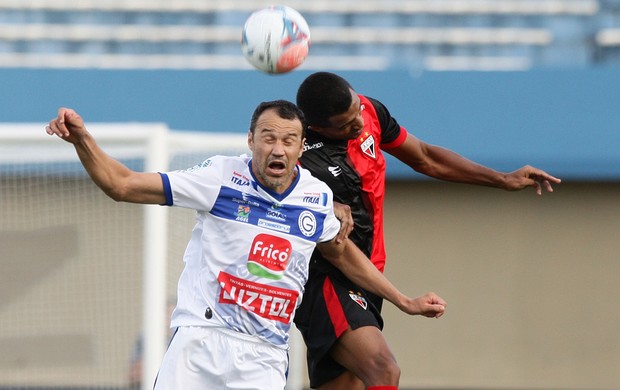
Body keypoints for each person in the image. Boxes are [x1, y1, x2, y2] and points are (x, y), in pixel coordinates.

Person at [45, 100, 447, 390]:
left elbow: (341, 252)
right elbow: (122, 185)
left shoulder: (316, 197)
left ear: (300, 147)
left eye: (289, 140)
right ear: (250, 139)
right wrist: (83, 140)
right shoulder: (220, 178)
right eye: (268, 137)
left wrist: (403, 300)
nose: (278, 148)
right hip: (200, 340)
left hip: (264, 355)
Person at [293, 72, 562, 390]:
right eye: (348, 125)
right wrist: (404, 300)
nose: (359, 125)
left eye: (357, 112)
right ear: (319, 127)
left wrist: (502, 180)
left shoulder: (369, 111)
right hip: (327, 279)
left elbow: (425, 157)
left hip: (369, 277)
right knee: (383, 370)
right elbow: (327, 239)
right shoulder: (306, 161)